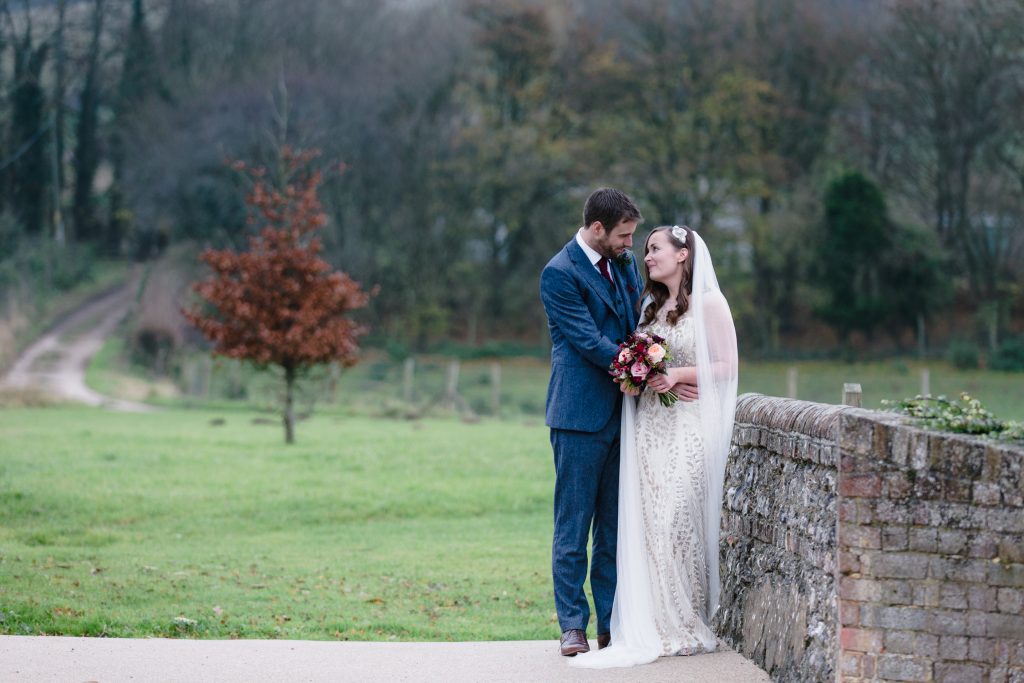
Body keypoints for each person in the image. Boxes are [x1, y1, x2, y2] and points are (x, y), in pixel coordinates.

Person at [569, 224, 738, 669]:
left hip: (687, 426)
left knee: (673, 520)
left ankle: (685, 623)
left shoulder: (709, 303)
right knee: (647, 524)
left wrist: (676, 375)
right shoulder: (649, 306)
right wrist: (636, 374)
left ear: (683, 254)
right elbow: (637, 360)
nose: (647, 256)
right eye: (644, 249)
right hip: (649, 427)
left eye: (655, 248)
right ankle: (658, 624)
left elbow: (726, 365)